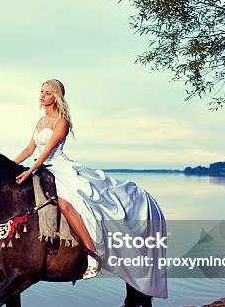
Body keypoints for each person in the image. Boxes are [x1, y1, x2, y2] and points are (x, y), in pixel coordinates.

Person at [13, 80, 167, 293]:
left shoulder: (62, 121)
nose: (42, 96)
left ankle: (92, 254)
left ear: (55, 97)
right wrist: (10, 167)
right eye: (41, 91)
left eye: (47, 93)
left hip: (57, 167)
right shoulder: (40, 121)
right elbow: (30, 149)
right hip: (40, 167)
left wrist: (30, 170)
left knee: (66, 204)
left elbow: (47, 151)